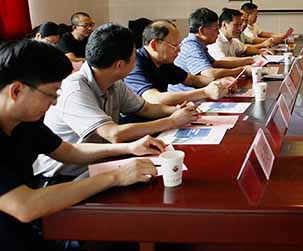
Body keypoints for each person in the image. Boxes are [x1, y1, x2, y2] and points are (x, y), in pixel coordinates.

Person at [0, 39, 163, 251]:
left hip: (29, 231)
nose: (54, 102)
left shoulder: (25, 121)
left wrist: (128, 148)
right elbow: (25, 205)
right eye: (51, 94)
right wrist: (116, 176)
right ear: (16, 91)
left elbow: (67, 150)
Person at [34, 24, 200, 180]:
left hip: (100, 163)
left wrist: (177, 110)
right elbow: (114, 134)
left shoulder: (113, 82)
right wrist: (172, 121)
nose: (137, 57)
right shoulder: (75, 89)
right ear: (120, 65)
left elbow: (145, 108)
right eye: (134, 55)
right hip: (64, 176)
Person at [124, 20, 232, 105]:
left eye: (179, 45)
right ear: (154, 45)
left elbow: (193, 80)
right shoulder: (134, 63)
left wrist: (220, 82)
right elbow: (155, 99)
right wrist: (205, 92)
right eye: (174, 46)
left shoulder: (164, 62)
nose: (179, 50)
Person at [171, 8, 252, 91]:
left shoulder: (199, 44)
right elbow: (210, 74)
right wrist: (242, 70)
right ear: (202, 30)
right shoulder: (191, 47)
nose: (218, 33)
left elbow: (216, 63)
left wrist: (249, 61)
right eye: (216, 29)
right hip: (187, 95)